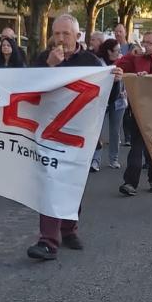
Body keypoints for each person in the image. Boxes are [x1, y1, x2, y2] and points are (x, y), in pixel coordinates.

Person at [27, 14, 122, 261]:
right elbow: (29, 90)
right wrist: (49, 66)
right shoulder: (42, 58)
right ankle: (48, 241)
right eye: (56, 34)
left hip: (79, 135)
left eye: (65, 34)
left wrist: (115, 83)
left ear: (77, 36)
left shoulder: (91, 62)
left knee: (73, 182)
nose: (60, 39)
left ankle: (68, 229)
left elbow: (107, 101)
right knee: (51, 181)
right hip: (49, 132)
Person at [115, 31, 152, 197]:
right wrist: (131, 54)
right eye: (144, 42)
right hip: (137, 108)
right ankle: (130, 182)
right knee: (136, 146)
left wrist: (150, 78)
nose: (145, 45)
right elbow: (118, 67)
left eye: (149, 43)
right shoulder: (136, 59)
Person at [91, 38, 124, 171]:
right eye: (117, 51)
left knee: (115, 131)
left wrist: (119, 81)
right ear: (109, 51)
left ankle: (114, 159)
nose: (119, 53)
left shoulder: (122, 62)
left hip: (118, 100)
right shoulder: (99, 64)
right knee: (97, 130)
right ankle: (95, 160)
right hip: (101, 101)